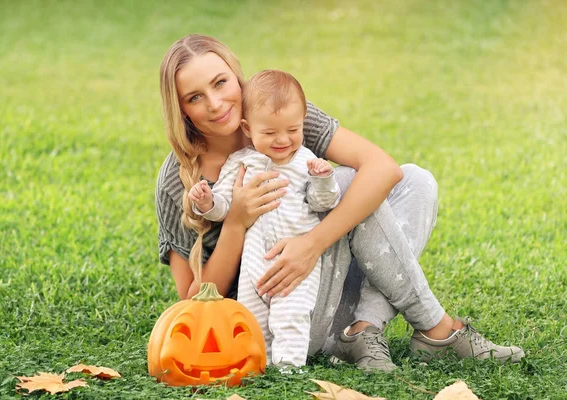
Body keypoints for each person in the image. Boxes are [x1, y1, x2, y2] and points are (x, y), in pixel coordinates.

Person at [155, 34, 525, 373]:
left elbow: (384, 168)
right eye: (195, 97)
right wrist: (235, 221)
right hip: (274, 320)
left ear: (237, 77)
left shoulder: (279, 112)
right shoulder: (177, 179)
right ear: (182, 109)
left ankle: (363, 328)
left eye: (220, 83)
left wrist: (310, 245)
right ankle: (439, 330)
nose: (216, 103)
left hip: (326, 282)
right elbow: (193, 304)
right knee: (347, 181)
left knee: (415, 180)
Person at [188, 69, 341, 368]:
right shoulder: (241, 162)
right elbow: (224, 209)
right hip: (255, 255)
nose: (283, 140)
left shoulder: (305, 160)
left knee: (290, 312)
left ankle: (288, 367)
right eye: (270, 133)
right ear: (247, 128)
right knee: (252, 312)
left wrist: (323, 179)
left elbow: (324, 203)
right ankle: (261, 363)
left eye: (292, 130)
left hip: (293, 254)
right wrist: (208, 201)